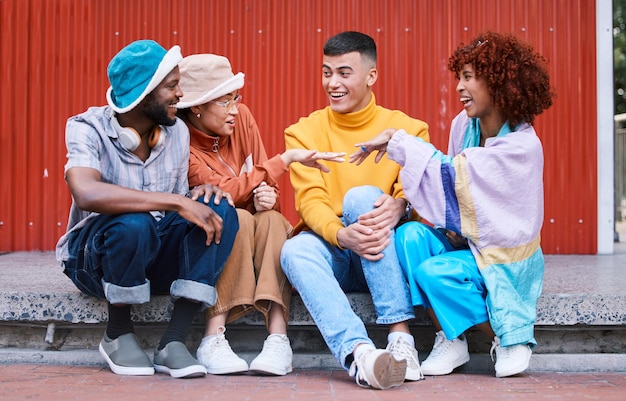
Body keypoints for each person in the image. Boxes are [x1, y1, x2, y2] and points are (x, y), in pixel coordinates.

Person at [351, 31, 555, 378]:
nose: (459, 87)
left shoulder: (522, 146)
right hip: (470, 243)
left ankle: (507, 338)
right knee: (410, 236)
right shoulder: (464, 125)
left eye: (469, 78)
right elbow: (454, 194)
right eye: (459, 77)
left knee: (434, 271)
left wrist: (397, 141)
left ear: (499, 83)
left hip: (504, 256)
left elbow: (454, 175)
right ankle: (451, 338)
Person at [55, 40, 239, 379]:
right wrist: (177, 201)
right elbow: (86, 192)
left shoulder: (177, 133)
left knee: (219, 209)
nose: (181, 94)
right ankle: (118, 333)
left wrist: (195, 196)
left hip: (151, 257)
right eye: (172, 86)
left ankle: (173, 341)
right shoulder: (86, 127)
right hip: (94, 262)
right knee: (134, 223)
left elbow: (178, 210)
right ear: (144, 93)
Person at [175, 54, 345, 376]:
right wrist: (287, 159)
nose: (235, 109)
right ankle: (213, 336)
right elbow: (223, 192)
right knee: (232, 215)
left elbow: (267, 188)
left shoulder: (243, 119)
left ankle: (278, 338)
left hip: (254, 229)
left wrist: (269, 197)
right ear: (197, 106)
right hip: (211, 238)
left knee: (272, 220)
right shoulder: (181, 144)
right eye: (225, 102)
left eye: (236, 98)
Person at [280, 31, 430, 390]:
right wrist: (341, 235)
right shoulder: (303, 132)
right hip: (340, 253)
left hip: (386, 255)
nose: (333, 83)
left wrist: (401, 205)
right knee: (294, 249)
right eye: (326, 72)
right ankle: (361, 354)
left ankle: (400, 338)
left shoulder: (408, 130)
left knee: (362, 198)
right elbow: (310, 200)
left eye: (344, 73)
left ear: (371, 76)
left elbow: (419, 191)